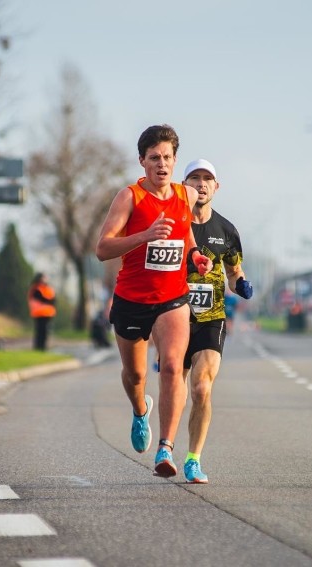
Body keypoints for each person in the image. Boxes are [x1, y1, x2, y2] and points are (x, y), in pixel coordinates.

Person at [95, 124, 212, 478]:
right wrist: (144, 235)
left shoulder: (186, 196)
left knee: (174, 366)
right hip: (131, 298)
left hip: (172, 299)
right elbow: (102, 248)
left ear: (175, 161)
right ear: (142, 161)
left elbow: (185, 233)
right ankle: (139, 411)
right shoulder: (129, 197)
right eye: (154, 158)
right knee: (135, 375)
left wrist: (195, 257)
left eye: (167, 157)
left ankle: (166, 448)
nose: (162, 164)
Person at [180, 159, 253, 483]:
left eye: (207, 178)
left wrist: (243, 285)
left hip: (211, 317)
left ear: (216, 187)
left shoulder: (226, 230)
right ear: (184, 185)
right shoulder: (173, 222)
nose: (201, 184)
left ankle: (194, 458)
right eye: (194, 178)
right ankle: (163, 442)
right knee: (174, 388)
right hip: (173, 314)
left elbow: (235, 273)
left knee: (201, 388)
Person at [28, 273, 57, 351]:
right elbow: (42, 299)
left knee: (44, 332)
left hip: (48, 314)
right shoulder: (36, 289)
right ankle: (38, 347)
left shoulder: (48, 289)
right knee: (40, 331)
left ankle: (42, 347)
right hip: (39, 313)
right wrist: (48, 301)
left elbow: (53, 299)